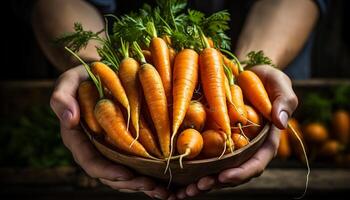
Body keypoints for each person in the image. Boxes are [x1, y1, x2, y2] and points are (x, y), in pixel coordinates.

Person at [30, 0, 324, 199]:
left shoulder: (207, 61)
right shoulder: (138, 67)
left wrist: (249, 71)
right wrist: (93, 64)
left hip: (257, 46)